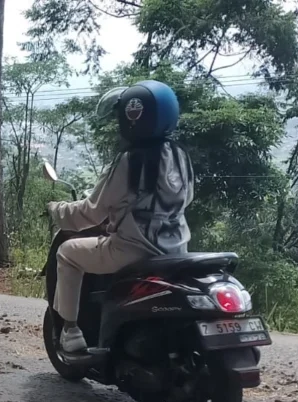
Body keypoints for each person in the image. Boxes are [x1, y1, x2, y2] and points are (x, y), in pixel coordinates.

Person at [47, 80, 195, 357]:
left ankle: (70, 331)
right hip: (175, 252)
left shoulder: (130, 161)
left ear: (132, 119)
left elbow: (89, 214)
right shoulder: (179, 155)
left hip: (131, 253)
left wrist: (57, 210)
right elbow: (186, 200)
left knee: (67, 252)